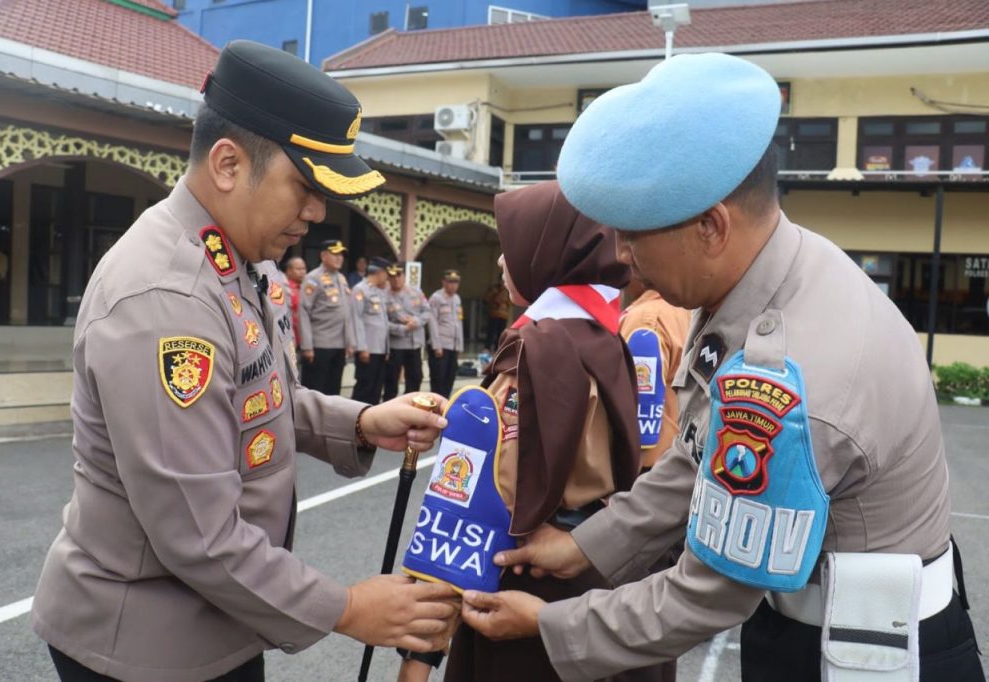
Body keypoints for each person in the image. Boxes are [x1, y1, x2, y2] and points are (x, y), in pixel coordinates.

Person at [458, 53, 983, 682]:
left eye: (635, 235)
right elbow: (698, 454)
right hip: (808, 618)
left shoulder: (798, 372)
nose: (621, 257)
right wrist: (584, 547)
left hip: (868, 658)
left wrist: (550, 626)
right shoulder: (770, 277)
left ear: (710, 227)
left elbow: (709, 593)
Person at [30, 40, 458, 682]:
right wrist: (346, 608)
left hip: (213, 626)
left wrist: (362, 422)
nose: (316, 213)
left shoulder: (228, 259)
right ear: (228, 164)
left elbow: (255, 398)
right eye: (305, 186)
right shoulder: (167, 300)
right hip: (148, 649)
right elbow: (196, 534)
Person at [400, 180, 663, 682]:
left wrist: (420, 652)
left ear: (548, 256)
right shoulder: (607, 340)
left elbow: (475, 501)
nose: (501, 262)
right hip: (596, 573)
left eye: (511, 247)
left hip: (523, 587)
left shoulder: (533, 352)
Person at [619, 278, 691, 472]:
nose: (622, 258)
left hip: (645, 469)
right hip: (672, 463)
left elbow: (642, 411)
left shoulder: (647, 319)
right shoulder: (681, 310)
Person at [299, 239, 355, 396]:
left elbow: (346, 313)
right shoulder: (313, 278)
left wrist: (350, 342)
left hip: (339, 345)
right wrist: (307, 346)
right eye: (335, 254)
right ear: (323, 256)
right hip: (319, 345)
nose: (340, 258)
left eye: (342, 254)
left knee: (334, 389)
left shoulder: (341, 278)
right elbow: (304, 312)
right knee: (316, 390)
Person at [383, 261, 436, 401]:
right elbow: (382, 323)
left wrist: (416, 321)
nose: (396, 279)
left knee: (415, 377)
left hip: (415, 344)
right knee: (391, 379)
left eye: (399, 275)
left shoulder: (416, 292)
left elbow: (427, 312)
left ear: (404, 276)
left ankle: (410, 405)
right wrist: (401, 328)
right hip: (396, 345)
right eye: (392, 276)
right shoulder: (384, 295)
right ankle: (389, 408)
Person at [351, 257, 392, 404]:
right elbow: (356, 319)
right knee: (364, 387)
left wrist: (386, 349)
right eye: (386, 274)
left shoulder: (379, 291)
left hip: (380, 349)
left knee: (376, 387)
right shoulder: (360, 289)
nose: (387, 278)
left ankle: (372, 419)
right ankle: (355, 419)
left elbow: (383, 322)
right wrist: (362, 348)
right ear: (380, 273)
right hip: (368, 349)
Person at [427, 270, 465, 397]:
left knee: (450, 379)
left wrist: (460, 346)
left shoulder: (457, 298)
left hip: (453, 346)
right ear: (443, 282)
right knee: (438, 381)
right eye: (450, 282)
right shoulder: (436, 298)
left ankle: (445, 407)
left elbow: (459, 323)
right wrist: (436, 346)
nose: (453, 285)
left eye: (456, 282)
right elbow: (432, 323)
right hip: (441, 346)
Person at [282, 256, 307, 381]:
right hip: (290, 339)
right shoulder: (284, 288)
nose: (302, 272)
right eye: (298, 269)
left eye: (304, 269)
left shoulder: (305, 288)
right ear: (289, 271)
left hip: (304, 340)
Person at [482, 274, 510, 351]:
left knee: (500, 333)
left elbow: (510, 302)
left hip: (503, 315)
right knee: (491, 332)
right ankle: (487, 348)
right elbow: (485, 299)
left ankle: (497, 349)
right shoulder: (494, 289)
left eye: (505, 281)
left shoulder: (507, 290)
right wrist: (494, 295)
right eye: (502, 280)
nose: (503, 282)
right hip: (493, 314)